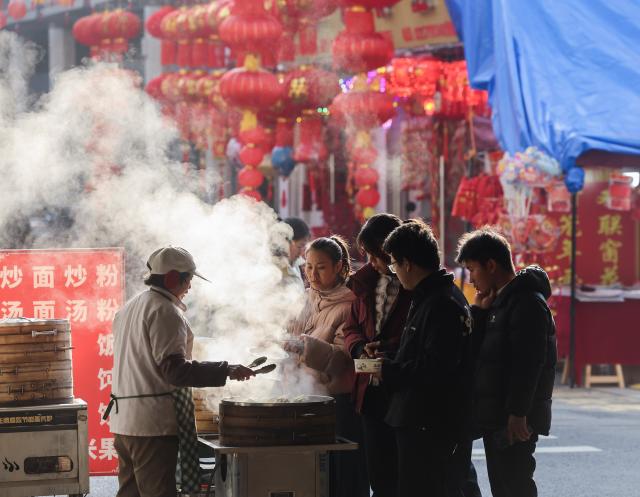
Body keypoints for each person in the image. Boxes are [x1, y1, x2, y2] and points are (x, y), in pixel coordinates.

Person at [107, 247, 255, 497]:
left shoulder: (131, 307)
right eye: (188, 279)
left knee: (130, 493)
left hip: (124, 420)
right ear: (173, 278)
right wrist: (226, 369)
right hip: (150, 425)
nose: (190, 286)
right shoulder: (165, 311)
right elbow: (174, 371)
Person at [455, 228, 557, 497]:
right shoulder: (499, 302)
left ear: (491, 265)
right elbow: (479, 354)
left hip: (513, 418)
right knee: (503, 486)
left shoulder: (526, 302)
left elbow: (529, 363)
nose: (471, 280)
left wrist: (518, 413)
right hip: (496, 413)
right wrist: (478, 311)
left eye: (472, 270)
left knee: (515, 486)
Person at [377, 220, 474, 497]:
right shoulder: (431, 296)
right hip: (421, 418)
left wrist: (389, 370)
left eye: (394, 264)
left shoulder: (441, 303)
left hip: (430, 421)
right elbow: (422, 350)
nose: (394, 272)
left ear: (408, 263)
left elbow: (436, 368)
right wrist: (389, 353)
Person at [285, 236, 369, 497]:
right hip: (308, 399)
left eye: (320, 267)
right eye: (308, 266)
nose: (312, 274)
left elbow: (342, 358)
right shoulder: (308, 298)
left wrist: (304, 347)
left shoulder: (350, 304)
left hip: (338, 403)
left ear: (339, 267)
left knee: (342, 477)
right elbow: (289, 333)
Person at [342, 213, 411, 497]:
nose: (372, 262)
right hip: (369, 391)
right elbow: (352, 327)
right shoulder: (365, 284)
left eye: (376, 255)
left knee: (406, 475)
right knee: (379, 476)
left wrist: (387, 348)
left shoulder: (414, 284)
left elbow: (417, 333)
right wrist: (360, 347)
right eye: (368, 255)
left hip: (402, 389)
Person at [283, 217, 310, 289]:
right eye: (300, 246)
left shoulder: (297, 264)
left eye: (304, 247)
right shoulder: (273, 270)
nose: (302, 253)